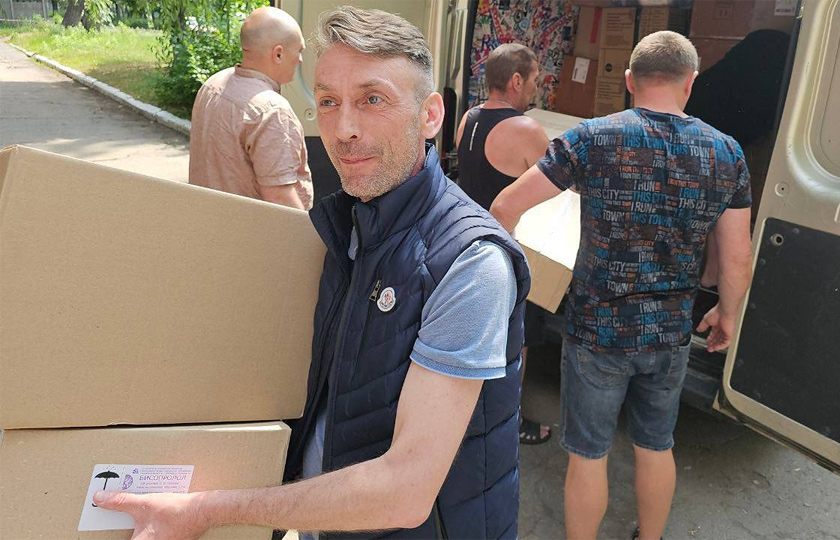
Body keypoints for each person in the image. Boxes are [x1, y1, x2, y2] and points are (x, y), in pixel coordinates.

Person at [95, 7, 529, 540]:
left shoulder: (471, 263)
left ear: (431, 115)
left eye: (372, 99)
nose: (343, 129)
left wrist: (207, 510)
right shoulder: (344, 225)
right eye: (327, 102)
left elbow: (405, 491)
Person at [490, 31, 754, 540]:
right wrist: (728, 313)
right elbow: (737, 257)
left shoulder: (592, 139)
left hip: (597, 331)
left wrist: (509, 285)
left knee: (588, 455)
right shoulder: (727, 153)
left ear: (630, 80)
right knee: (656, 445)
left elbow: (504, 207)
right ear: (690, 83)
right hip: (671, 332)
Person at [455, 42, 552, 445]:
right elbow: (560, 190)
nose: (535, 89)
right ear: (515, 81)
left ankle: (463, 418)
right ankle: (509, 424)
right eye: (533, 80)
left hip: (465, 242)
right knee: (516, 341)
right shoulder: (527, 130)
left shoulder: (469, 118)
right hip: (507, 250)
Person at [188, 6, 313, 210]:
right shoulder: (272, 111)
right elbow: (280, 198)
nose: (300, 59)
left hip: (207, 219)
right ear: (278, 54)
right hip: (249, 229)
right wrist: (305, 230)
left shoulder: (213, 84)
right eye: (299, 51)